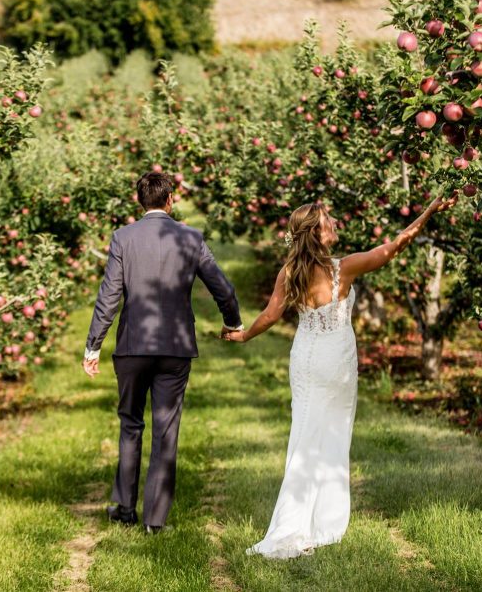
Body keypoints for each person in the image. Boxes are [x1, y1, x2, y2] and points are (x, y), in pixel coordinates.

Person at [224, 192, 458, 558]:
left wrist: (243, 335)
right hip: (336, 361)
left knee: (305, 433)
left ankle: (303, 518)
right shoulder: (342, 268)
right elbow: (396, 245)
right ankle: (318, 522)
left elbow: (270, 316)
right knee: (332, 434)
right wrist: (429, 210)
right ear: (316, 234)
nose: (333, 224)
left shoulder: (291, 272)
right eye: (327, 222)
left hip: (305, 359)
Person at [82, 172, 243, 534]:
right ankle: (155, 521)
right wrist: (232, 322)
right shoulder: (190, 237)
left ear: (140, 201)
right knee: (165, 431)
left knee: (130, 424)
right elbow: (222, 287)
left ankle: (124, 507)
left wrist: (93, 344)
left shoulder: (123, 237)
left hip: (132, 347)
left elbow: (109, 296)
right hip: (174, 348)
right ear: (170, 200)